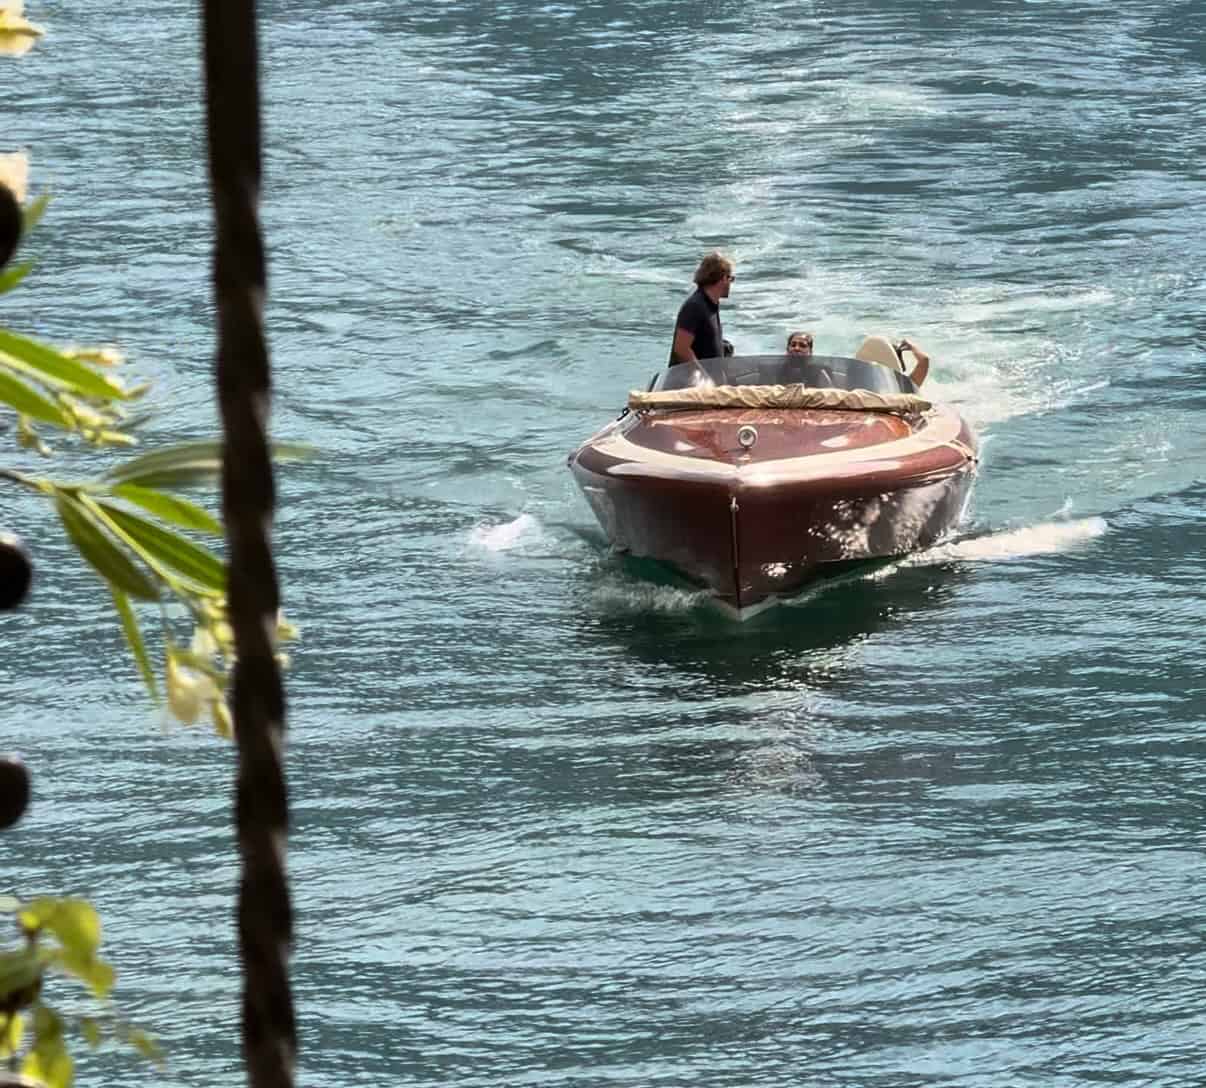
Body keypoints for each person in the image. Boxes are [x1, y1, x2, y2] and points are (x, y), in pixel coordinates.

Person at [669, 252, 734, 365]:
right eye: (731, 279)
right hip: (688, 381)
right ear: (724, 278)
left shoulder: (711, 305)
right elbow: (681, 349)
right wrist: (703, 376)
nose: (731, 283)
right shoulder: (695, 306)